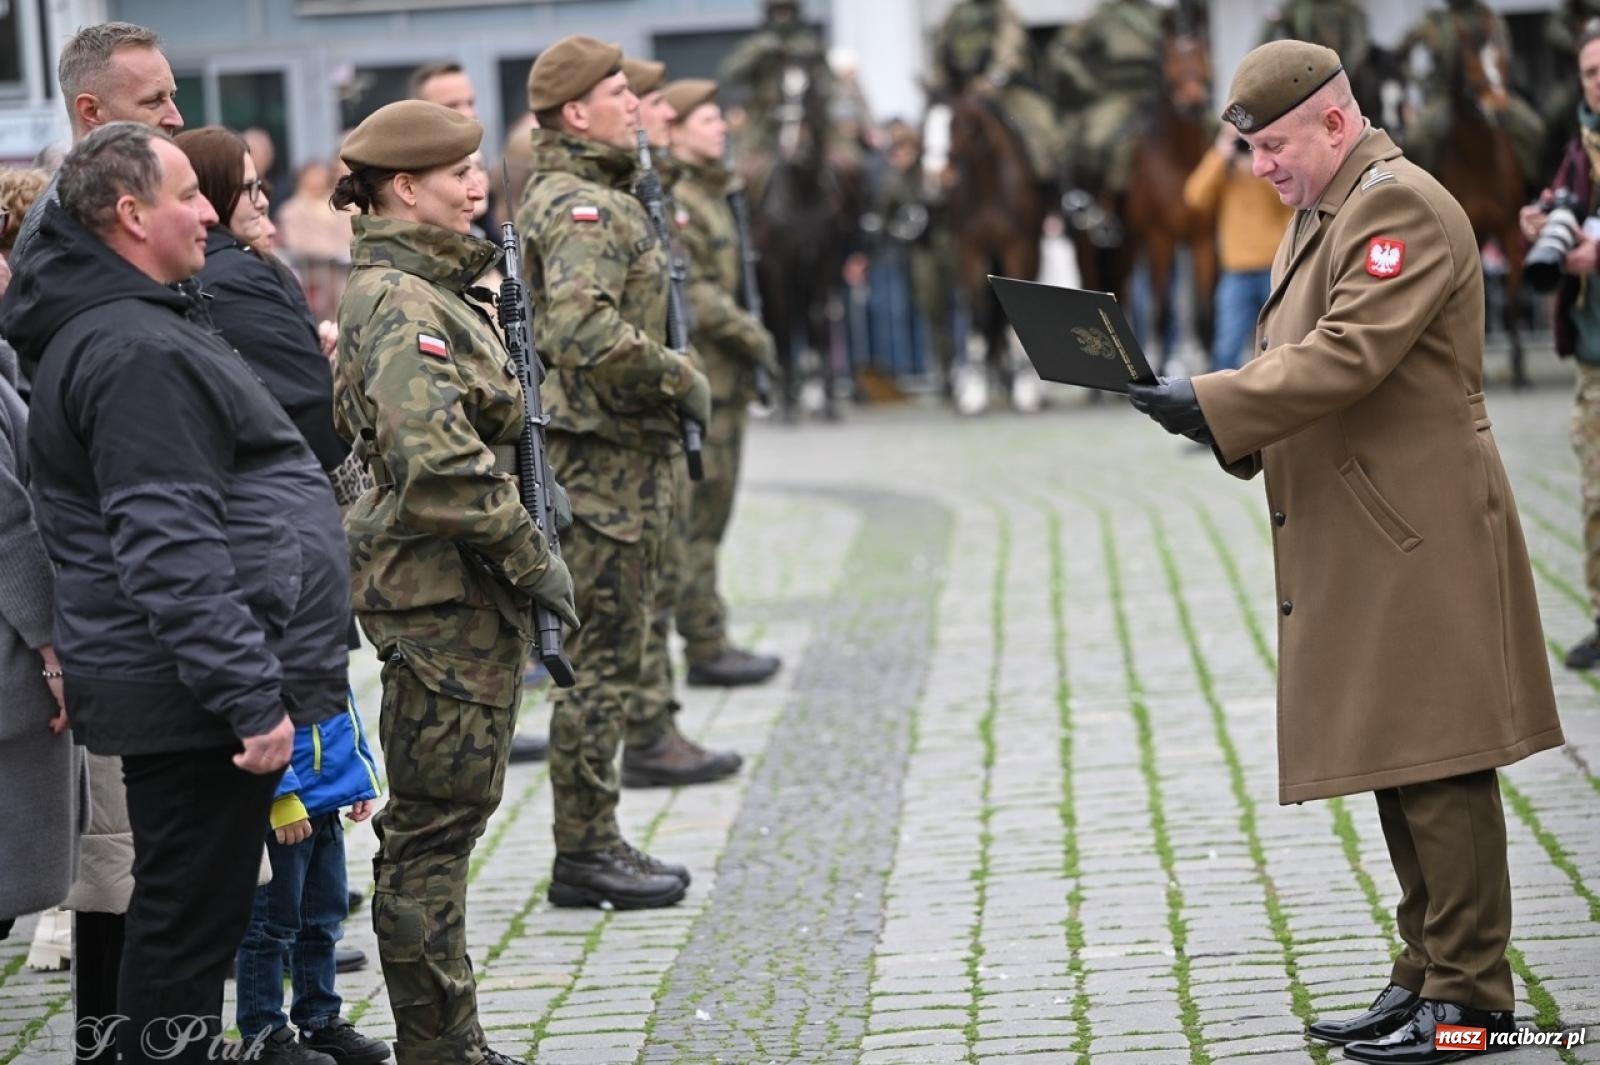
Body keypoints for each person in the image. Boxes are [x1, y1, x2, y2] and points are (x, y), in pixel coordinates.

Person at [1126, 42, 1563, 1064]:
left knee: (1442, 761)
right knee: (1397, 754)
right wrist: (1215, 411)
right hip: (1373, 528)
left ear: (1332, 121)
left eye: (1272, 145)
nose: (1261, 168)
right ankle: (1423, 974)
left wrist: (1213, 401)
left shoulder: (1392, 206)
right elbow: (1298, 357)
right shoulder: (1324, 211)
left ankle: (1472, 1009)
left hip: (1418, 528)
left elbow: (1347, 356)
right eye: (1248, 151)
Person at [0, 121, 351, 1065]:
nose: (210, 210)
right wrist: (250, 696)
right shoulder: (130, 348)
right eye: (188, 194)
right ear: (128, 213)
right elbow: (168, 546)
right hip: (191, 696)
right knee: (185, 937)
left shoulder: (141, 324)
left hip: (185, 688)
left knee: (183, 927)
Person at [331, 98, 576, 1065]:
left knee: (450, 821)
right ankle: (439, 1045)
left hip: (457, 590)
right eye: (456, 174)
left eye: (477, 168)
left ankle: (452, 1035)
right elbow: (439, 467)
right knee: (430, 833)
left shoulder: (434, 287)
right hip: (437, 595)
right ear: (404, 187)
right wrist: (531, 554)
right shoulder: (399, 299)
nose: (478, 185)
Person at [518, 37, 711, 909]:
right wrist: (678, 373)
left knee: (620, 658)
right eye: (616, 92)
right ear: (573, 113)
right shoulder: (581, 208)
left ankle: (596, 840)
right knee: (598, 668)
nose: (634, 103)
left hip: (627, 459)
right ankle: (586, 850)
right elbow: (580, 332)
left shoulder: (608, 192)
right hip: (600, 468)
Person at [657, 78, 785, 695]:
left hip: (725, 379)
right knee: (697, 519)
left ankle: (709, 633)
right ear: (674, 128)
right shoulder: (677, 197)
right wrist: (753, 335)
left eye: (718, 117)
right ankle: (704, 641)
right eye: (704, 118)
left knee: (712, 518)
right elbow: (697, 291)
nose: (719, 126)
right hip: (703, 373)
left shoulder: (716, 190)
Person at [233, 686, 385, 1065]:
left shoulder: (319, 636)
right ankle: (263, 1034)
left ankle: (321, 1021)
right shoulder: (270, 636)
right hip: (282, 812)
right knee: (270, 927)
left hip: (325, 805)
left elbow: (344, 709)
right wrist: (279, 795)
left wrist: (358, 776)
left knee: (323, 921)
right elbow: (252, 713)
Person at [1520, 26, 1600, 670]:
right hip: (1593, 357)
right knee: (1597, 495)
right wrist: (1543, 218)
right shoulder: (1577, 151)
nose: (1598, 83)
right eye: (1590, 73)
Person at [11, 21, 182, 265]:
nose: (177, 118)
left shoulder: (117, 199)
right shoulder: (64, 224)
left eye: (171, 96)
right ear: (91, 111)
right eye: (154, 101)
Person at [1398, 0, 1544, 185]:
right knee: (1416, 138)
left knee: (1532, 128)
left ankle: (1533, 186)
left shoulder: (1489, 19)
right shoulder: (1434, 22)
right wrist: (1417, 80)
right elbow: (1399, 52)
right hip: (1444, 97)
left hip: (1488, 92)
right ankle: (1424, 188)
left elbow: (1504, 56)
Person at [1181, 128, 1292, 370]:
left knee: (1282, 342)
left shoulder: (1270, 170)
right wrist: (1219, 154)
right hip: (1236, 272)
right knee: (1227, 346)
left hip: (1273, 270)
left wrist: (1259, 167)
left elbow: (1289, 203)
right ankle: (1218, 403)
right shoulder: (1223, 171)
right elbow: (1194, 197)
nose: (1244, 148)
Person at [926, 0, 1064, 188]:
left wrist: (992, 79)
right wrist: (940, 81)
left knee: (1041, 127)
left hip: (1007, 91)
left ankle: (1059, 195)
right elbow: (940, 51)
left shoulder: (1002, 11)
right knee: (933, 131)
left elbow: (1009, 50)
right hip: (961, 91)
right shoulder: (956, 14)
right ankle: (926, 201)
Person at [1046, 0, 1164, 200]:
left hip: (1157, 94)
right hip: (1115, 96)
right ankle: (1099, 204)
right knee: (1095, 143)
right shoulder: (1100, 17)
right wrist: (1086, 84)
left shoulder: (1159, 15)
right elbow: (1061, 52)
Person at [721, 0, 834, 160]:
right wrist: (760, 52)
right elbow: (731, 73)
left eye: (786, 11)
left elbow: (827, 82)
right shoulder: (756, 45)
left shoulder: (811, 45)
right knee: (747, 167)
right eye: (778, 12)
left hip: (808, 116)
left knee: (843, 164)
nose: (782, 17)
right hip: (765, 117)